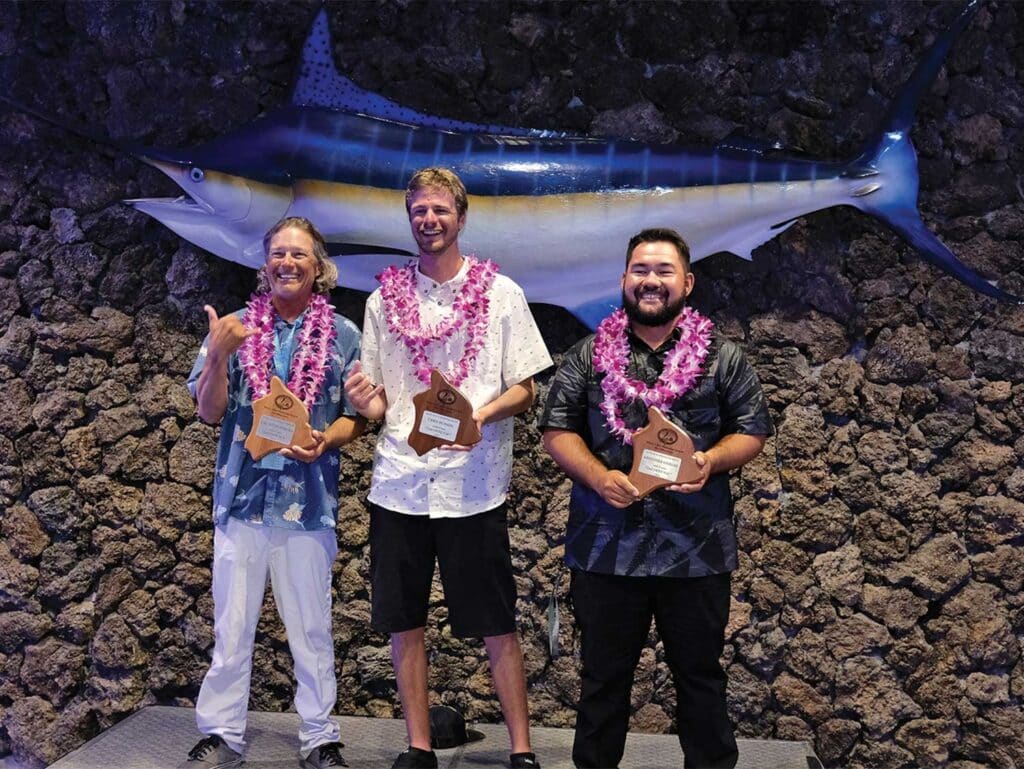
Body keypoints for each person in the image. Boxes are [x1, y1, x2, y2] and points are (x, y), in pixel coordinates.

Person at [539, 227, 772, 769]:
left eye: (663, 271)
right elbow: (557, 430)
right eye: (640, 270)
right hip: (605, 548)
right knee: (601, 682)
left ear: (686, 282)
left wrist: (710, 461)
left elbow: (752, 429)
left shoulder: (724, 357)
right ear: (623, 279)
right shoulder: (589, 355)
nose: (651, 281)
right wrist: (598, 476)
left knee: (701, 680)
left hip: (697, 549)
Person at [344, 167, 551, 769]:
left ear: (461, 217)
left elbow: (527, 389)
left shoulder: (502, 293)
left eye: (439, 210)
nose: (428, 221)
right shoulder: (383, 300)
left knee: (495, 619)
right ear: (409, 219)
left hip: (474, 485)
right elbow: (382, 401)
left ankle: (521, 749)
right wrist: (364, 401)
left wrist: (479, 415)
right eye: (418, 212)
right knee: (403, 619)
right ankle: (419, 746)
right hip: (400, 483)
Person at [182, 217, 363, 769]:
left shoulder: (344, 335)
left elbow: (357, 417)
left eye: (299, 255)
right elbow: (209, 410)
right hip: (241, 501)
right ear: (265, 266)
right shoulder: (234, 329)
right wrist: (217, 355)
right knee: (231, 626)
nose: (288, 263)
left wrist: (324, 441)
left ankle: (319, 736)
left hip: (307, 505)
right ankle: (222, 733)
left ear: (319, 268)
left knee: (311, 627)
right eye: (278, 254)